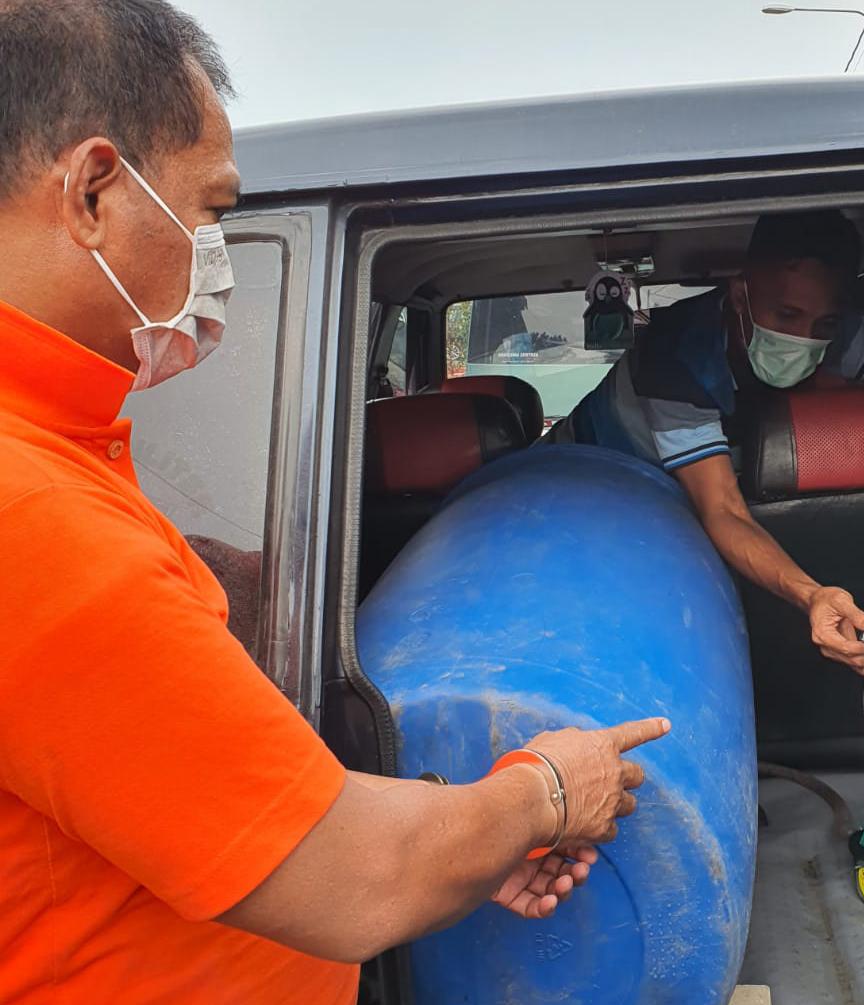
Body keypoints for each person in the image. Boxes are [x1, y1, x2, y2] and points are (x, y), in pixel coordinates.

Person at [0, 2, 668, 1002]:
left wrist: (467, 839)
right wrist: (547, 791)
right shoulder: (35, 518)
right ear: (96, 191)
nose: (214, 250)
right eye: (214, 210)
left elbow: (186, 785)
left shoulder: (61, 451)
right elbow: (358, 878)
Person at [548, 211, 864, 676]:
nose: (805, 338)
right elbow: (723, 509)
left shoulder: (840, 334)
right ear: (740, 295)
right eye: (787, 316)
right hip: (589, 473)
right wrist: (811, 595)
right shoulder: (675, 353)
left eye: (823, 323)